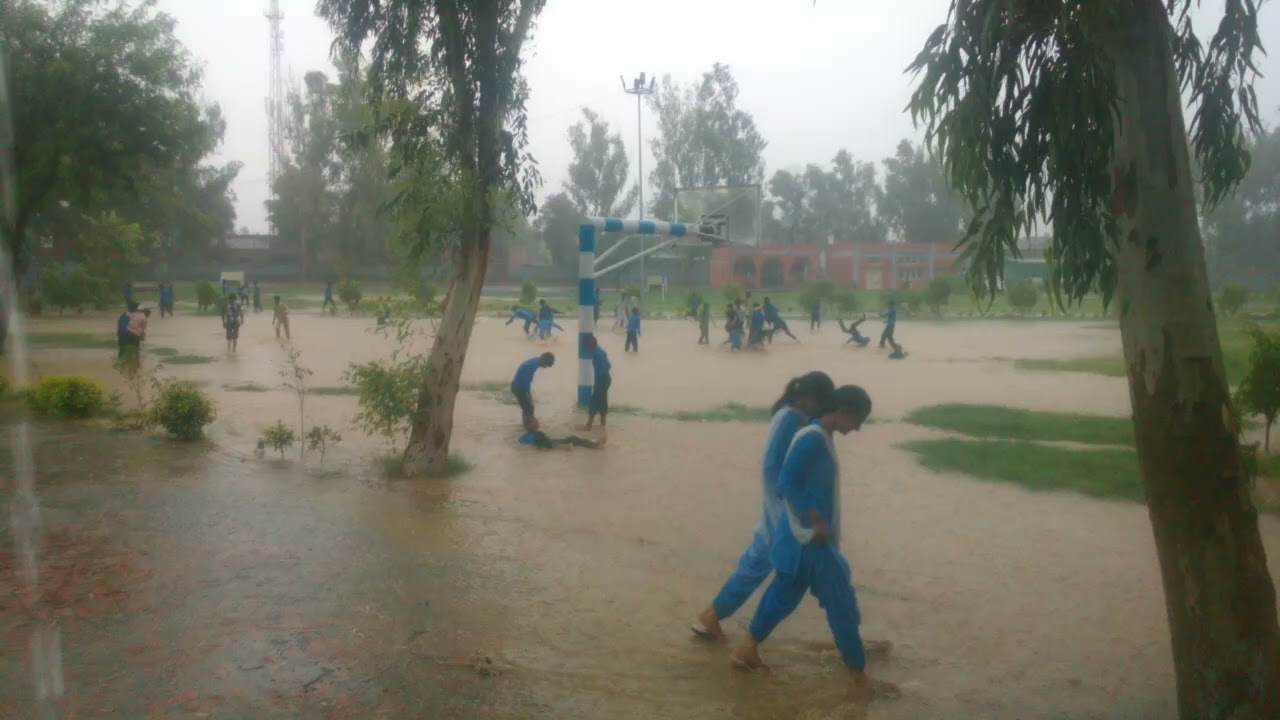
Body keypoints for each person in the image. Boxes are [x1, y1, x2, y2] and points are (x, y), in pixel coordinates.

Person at [732, 385, 899, 706]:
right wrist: (816, 519)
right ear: (844, 412)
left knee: (781, 597)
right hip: (809, 544)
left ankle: (746, 650)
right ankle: (857, 676)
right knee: (841, 603)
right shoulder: (812, 439)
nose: (858, 428)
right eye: (858, 420)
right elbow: (786, 481)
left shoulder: (817, 434)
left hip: (797, 542)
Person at [691, 372, 837, 641]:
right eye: (821, 402)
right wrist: (788, 509)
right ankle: (716, 620)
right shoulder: (790, 418)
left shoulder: (792, 415)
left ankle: (712, 617)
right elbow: (772, 468)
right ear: (810, 398)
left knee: (758, 564)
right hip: (780, 510)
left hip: (779, 509)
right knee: (771, 567)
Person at [511, 352, 555, 426]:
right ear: (544, 361)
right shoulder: (532, 366)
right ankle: (529, 427)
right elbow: (526, 382)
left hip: (516, 385)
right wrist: (528, 395)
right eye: (546, 365)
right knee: (529, 408)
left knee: (527, 408)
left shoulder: (535, 361)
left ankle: (526, 425)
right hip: (519, 388)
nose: (545, 367)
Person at [583, 335, 610, 432]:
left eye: (587, 346)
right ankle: (602, 424)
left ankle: (588, 426)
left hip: (602, 379)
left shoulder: (597, 354)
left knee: (594, 401)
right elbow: (608, 366)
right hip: (606, 378)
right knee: (603, 401)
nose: (587, 349)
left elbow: (601, 370)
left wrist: (597, 382)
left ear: (590, 345)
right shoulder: (601, 351)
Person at [519, 418, 602, 450]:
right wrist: (563, 447)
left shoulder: (523, 437)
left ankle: (594, 443)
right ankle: (594, 444)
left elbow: (531, 446)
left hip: (551, 442)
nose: (537, 421)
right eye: (535, 421)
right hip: (553, 443)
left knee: (572, 439)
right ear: (529, 425)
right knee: (572, 439)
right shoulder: (538, 434)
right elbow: (549, 445)